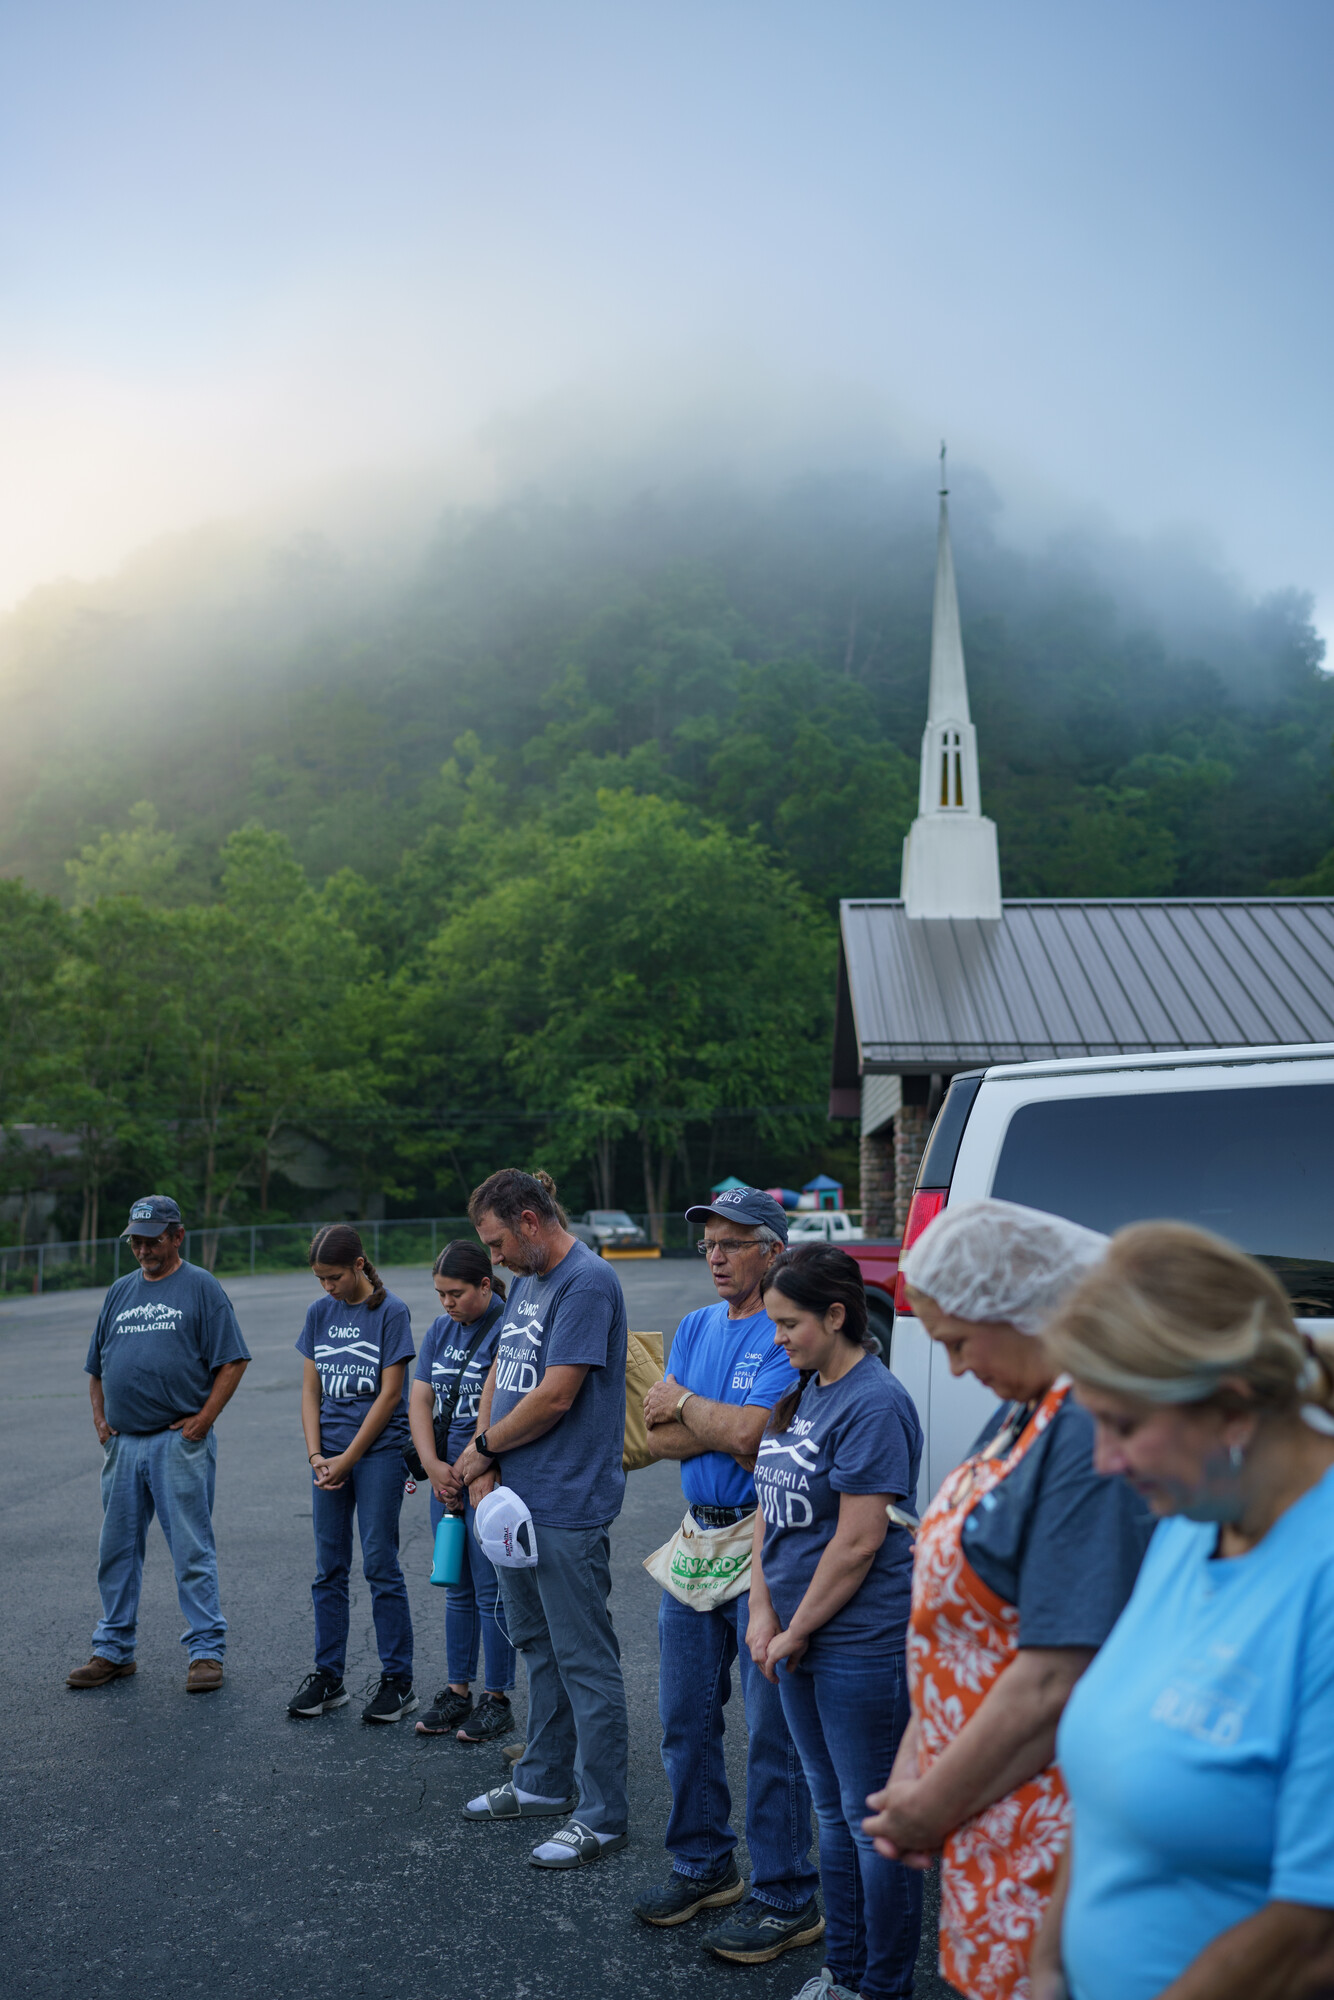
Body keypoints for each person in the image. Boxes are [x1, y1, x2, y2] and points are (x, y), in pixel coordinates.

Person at [1028, 1223, 1334, 2000]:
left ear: (1232, 1407)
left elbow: (1308, 1934)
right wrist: (1049, 1965)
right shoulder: (1195, 1515)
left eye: (1124, 1425)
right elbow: (1107, 1798)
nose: (1103, 1461)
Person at [863, 1199, 1153, 2000]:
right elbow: (962, 1629)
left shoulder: (1087, 1426)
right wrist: (919, 1770)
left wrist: (933, 1804)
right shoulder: (1024, 1406)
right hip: (982, 1793)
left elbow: (1058, 1670)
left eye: (958, 1341)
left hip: (1047, 1804)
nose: (952, 1367)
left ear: (1021, 1310)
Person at [633, 1186, 822, 1968]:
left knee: (772, 1730)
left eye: (733, 1242)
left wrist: (689, 1409)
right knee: (683, 1714)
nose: (714, 1255)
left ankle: (786, 1893)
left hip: (764, 1541)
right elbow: (662, 1437)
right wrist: (702, 1419)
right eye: (709, 1242)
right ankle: (705, 1865)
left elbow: (756, 1435)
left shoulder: (784, 1333)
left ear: (774, 1250)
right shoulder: (695, 1326)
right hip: (696, 1538)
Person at [748, 1244, 925, 2000]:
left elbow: (857, 1543)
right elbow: (771, 1514)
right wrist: (762, 1609)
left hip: (857, 1643)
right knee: (829, 1811)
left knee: (870, 1824)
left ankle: (883, 1986)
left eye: (788, 1324)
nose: (777, 1338)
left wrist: (796, 1628)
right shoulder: (808, 1389)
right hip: (795, 1636)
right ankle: (843, 1972)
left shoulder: (874, 1401)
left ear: (836, 1315)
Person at [453, 1168, 629, 1872]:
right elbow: (505, 1365)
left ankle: (603, 1815)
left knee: (586, 1661)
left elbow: (557, 1396)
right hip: (512, 1500)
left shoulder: (588, 1281)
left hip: (566, 1505)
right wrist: (483, 1456)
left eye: (495, 1241)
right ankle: (543, 1783)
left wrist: (485, 1451)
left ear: (529, 1222)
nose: (490, 1257)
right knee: (537, 1647)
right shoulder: (526, 1279)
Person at [70, 1195, 251, 1694]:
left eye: (153, 1239)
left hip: (177, 1442)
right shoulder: (119, 1292)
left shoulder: (200, 1287)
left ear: (177, 1235)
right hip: (124, 1445)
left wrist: (203, 1420)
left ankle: (205, 1652)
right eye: (137, 1240)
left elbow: (232, 1360)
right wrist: (101, 1421)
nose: (144, 1248)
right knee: (116, 1551)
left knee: (191, 1550)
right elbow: (96, 1366)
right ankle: (113, 1650)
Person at [287, 1223, 418, 1725]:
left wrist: (348, 1457)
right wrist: (317, 1455)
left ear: (359, 1265)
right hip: (329, 1458)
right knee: (329, 1568)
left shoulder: (391, 1311)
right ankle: (329, 1677)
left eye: (334, 1276)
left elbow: (390, 1396)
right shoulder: (319, 1313)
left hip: (378, 1454)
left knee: (381, 1564)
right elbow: (309, 1391)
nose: (327, 1287)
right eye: (320, 1278)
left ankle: (397, 1681)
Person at [409, 1240, 517, 1742]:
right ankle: (457, 1691)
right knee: (456, 1585)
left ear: (484, 1285)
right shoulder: (438, 1330)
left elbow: (498, 1409)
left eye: (455, 1293)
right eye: (440, 1294)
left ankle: (497, 1699)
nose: (447, 1303)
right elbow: (420, 1398)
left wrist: (474, 1469)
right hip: (445, 1478)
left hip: (489, 1477)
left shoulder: (507, 1325)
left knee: (493, 1591)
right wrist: (432, 1465)